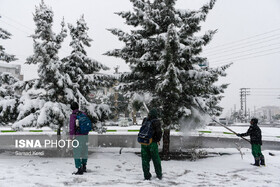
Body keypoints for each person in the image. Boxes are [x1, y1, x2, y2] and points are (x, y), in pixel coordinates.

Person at [141, 108, 163, 180]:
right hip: (152, 143)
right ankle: (159, 174)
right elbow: (159, 132)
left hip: (143, 142)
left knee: (145, 160)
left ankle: (146, 175)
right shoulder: (156, 121)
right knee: (156, 159)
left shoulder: (145, 120)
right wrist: (157, 140)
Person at [69, 102, 89, 175]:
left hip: (78, 136)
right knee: (84, 151)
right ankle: (84, 166)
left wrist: (71, 137)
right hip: (85, 136)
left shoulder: (73, 116)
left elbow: (71, 128)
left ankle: (79, 168)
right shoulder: (83, 114)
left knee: (77, 152)